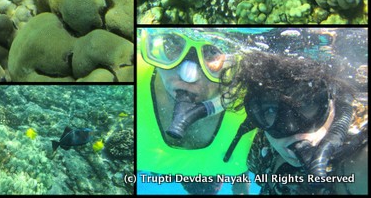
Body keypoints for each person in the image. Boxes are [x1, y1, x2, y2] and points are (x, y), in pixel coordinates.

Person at [222, 50, 368, 194]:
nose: (291, 128)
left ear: (332, 101)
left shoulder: (359, 152)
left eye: (307, 104)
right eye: (271, 110)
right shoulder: (260, 147)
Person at [137, 28, 255, 194]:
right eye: (173, 44)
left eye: (212, 52)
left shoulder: (254, 96)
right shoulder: (130, 74)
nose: (188, 76)